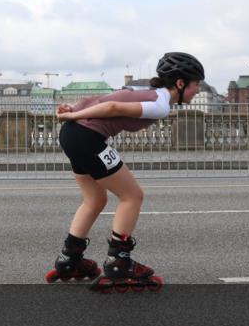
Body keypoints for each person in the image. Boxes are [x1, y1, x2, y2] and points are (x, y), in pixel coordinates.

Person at [44, 52, 204, 291]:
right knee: (132, 196)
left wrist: (74, 109)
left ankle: (70, 259)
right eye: (196, 85)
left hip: (72, 135)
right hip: (88, 137)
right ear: (180, 84)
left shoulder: (146, 92)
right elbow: (111, 106)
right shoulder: (160, 104)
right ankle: (119, 262)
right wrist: (73, 113)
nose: (198, 90)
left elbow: (101, 98)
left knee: (94, 199)